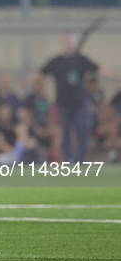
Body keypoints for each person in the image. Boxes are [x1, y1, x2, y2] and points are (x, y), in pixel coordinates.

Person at [26, 32, 121, 163]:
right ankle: (68, 158)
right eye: (66, 42)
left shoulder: (81, 60)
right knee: (65, 130)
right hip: (63, 103)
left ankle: (82, 158)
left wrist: (115, 76)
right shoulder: (56, 61)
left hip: (79, 103)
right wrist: (24, 83)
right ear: (63, 43)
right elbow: (39, 72)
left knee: (82, 129)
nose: (68, 45)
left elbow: (98, 68)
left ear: (74, 44)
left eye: (70, 42)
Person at [23, 75, 61, 162]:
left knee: (57, 131)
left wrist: (50, 125)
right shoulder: (30, 98)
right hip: (34, 128)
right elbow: (29, 116)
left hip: (44, 128)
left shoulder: (44, 99)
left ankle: (55, 159)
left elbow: (47, 116)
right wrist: (36, 128)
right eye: (40, 84)